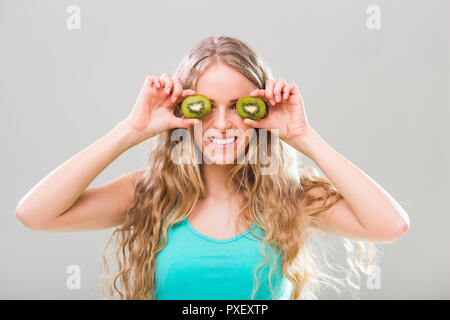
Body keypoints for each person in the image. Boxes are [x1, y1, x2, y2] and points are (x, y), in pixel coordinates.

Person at [15, 35, 410, 300]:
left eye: (239, 107)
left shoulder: (291, 195)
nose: (222, 124)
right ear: (182, 112)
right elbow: (34, 214)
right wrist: (130, 130)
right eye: (205, 107)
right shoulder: (148, 194)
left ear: (262, 111)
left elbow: (390, 225)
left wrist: (303, 136)